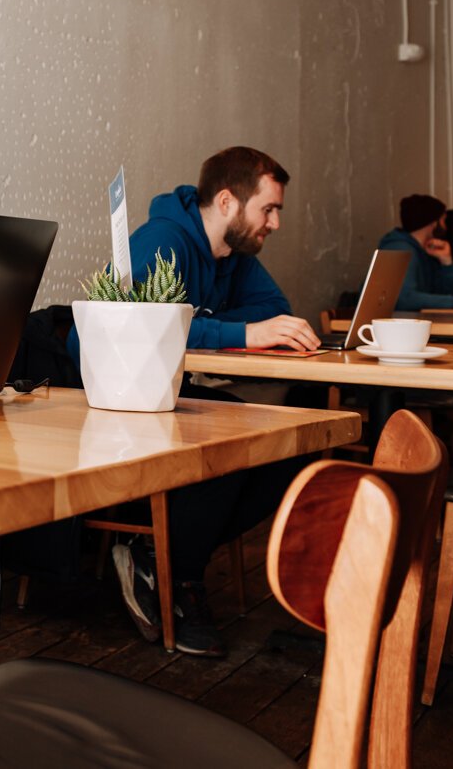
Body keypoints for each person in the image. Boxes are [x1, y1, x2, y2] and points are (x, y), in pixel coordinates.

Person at [67, 146, 318, 657]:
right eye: (268, 209)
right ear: (227, 201)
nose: (275, 223)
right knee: (230, 437)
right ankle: (179, 578)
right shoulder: (163, 240)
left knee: (294, 449)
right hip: (111, 394)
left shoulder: (233, 256)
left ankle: (158, 558)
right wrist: (239, 332)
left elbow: (275, 309)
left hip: (167, 391)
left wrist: (219, 325)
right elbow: (129, 328)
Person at [378, 194, 453, 310]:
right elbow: (404, 299)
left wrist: (447, 262)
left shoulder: (428, 252)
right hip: (398, 326)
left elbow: (450, 296)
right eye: (444, 221)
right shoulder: (400, 249)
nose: (446, 227)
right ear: (433, 223)